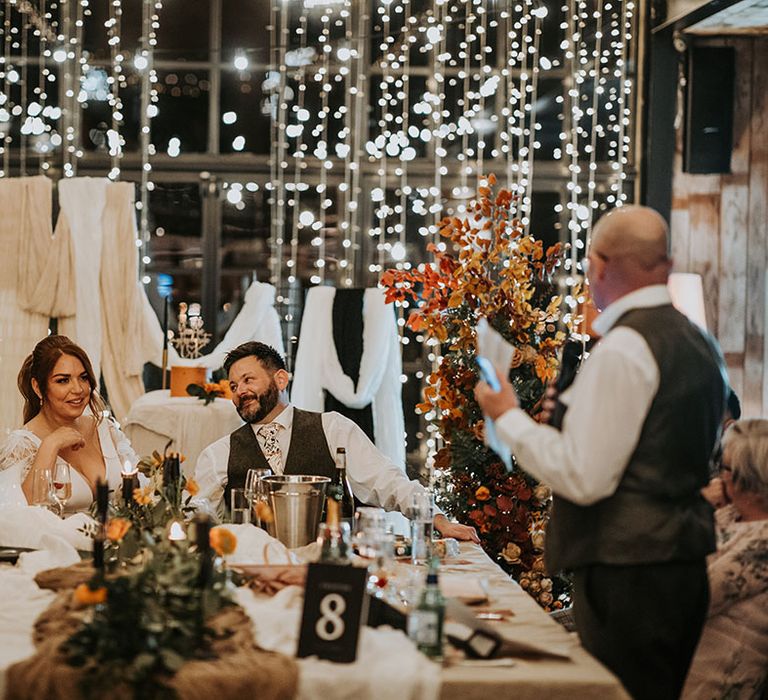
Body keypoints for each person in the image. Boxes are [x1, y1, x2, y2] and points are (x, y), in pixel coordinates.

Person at [475, 205, 728, 700]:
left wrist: (507, 415)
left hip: (629, 572)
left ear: (600, 264)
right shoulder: (699, 343)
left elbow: (584, 475)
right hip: (678, 561)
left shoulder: (625, 348)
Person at [195, 341, 479, 542]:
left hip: (329, 571)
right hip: (256, 579)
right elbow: (198, 515)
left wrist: (437, 519)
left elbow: (387, 481)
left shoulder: (332, 428)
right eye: (233, 386)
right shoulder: (218, 454)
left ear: (280, 379)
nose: (240, 391)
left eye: (248, 380)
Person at [0, 335, 137, 513]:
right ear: (38, 387)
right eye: (63, 380)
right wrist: (50, 445)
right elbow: (22, 517)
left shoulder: (105, 429)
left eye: (83, 377)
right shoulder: (21, 446)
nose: (78, 389)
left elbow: (142, 490)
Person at [683, 419, 768, 699]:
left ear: (749, 477)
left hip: (713, 684)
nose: (720, 475)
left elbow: (690, 597)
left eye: (726, 468)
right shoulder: (728, 514)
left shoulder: (763, 543)